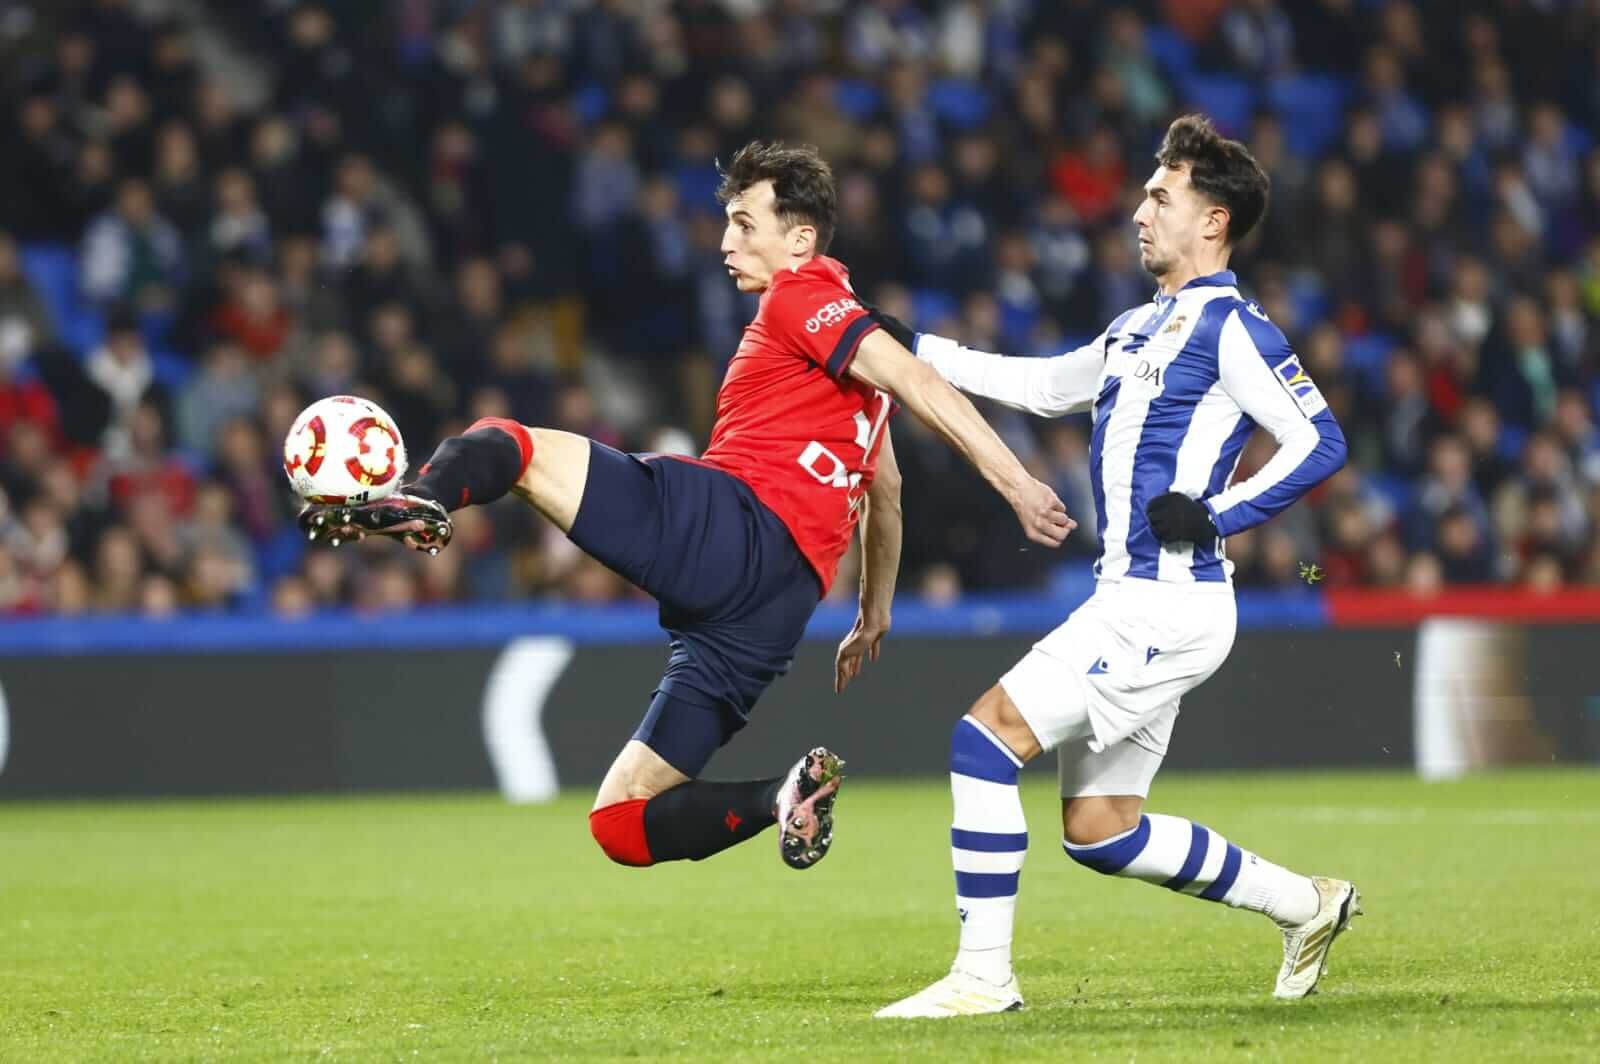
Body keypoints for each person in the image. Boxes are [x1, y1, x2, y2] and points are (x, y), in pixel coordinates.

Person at [302, 141, 1072, 872]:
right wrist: (875, 613)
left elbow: (925, 384)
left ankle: (421, 495)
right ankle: (780, 799)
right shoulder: (854, 382)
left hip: (732, 527)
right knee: (622, 821)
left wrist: (1017, 483)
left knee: (510, 443)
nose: (726, 242)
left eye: (745, 224)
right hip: (775, 610)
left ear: (800, 239)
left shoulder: (803, 294)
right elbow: (888, 494)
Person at [870, 115, 1356, 1017]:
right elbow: (1049, 384)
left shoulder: (1234, 327)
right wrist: (918, 353)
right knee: (1099, 832)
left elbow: (1320, 438)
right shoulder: (1138, 326)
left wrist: (1219, 512)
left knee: (983, 740)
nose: (1139, 210)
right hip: (1137, 599)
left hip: (1165, 603)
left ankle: (982, 978)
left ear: (1213, 222)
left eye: (1160, 197)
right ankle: (1309, 903)